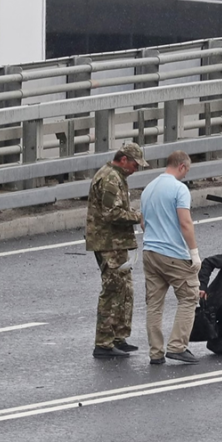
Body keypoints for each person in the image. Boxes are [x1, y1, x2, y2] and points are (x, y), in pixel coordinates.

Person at [85, 142, 149, 358]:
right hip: (108, 243)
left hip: (116, 243)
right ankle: (103, 343)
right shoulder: (110, 178)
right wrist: (138, 217)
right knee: (112, 291)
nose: (135, 169)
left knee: (125, 290)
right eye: (134, 164)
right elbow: (112, 214)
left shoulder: (116, 176)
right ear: (123, 160)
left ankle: (118, 337)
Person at [140, 150, 201, 365]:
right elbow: (185, 223)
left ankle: (156, 352)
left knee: (154, 304)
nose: (185, 175)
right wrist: (194, 252)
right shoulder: (179, 189)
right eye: (187, 170)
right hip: (172, 253)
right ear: (182, 166)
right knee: (189, 296)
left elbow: (143, 222)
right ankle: (177, 346)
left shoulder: (148, 188)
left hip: (149, 252)